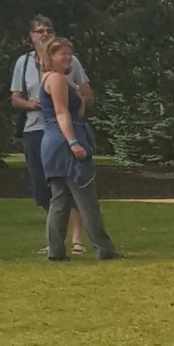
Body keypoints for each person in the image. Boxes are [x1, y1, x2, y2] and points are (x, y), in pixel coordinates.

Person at [11, 13, 92, 253]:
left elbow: (87, 94)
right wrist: (30, 104)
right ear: (31, 37)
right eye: (40, 31)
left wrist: (76, 106)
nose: (45, 34)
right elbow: (15, 98)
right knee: (45, 187)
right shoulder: (23, 63)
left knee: (73, 183)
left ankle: (77, 240)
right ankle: (56, 240)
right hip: (35, 130)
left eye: (49, 30)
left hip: (63, 131)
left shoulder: (70, 60)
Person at [37, 37, 117, 262]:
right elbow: (63, 113)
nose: (68, 57)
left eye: (70, 54)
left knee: (60, 200)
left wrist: (78, 96)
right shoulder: (57, 79)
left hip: (51, 143)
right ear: (51, 56)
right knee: (86, 198)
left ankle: (56, 252)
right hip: (65, 141)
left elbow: (75, 103)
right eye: (63, 54)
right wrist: (74, 143)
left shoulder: (50, 79)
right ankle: (104, 249)